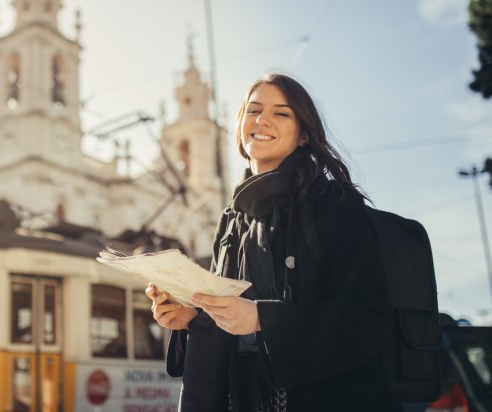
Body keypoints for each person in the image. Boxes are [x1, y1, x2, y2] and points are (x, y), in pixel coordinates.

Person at [145, 73, 401, 412]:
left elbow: (369, 316)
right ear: (240, 127)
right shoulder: (231, 221)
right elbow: (232, 324)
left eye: (281, 113)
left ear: (304, 135)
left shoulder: (334, 203)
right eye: (253, 111)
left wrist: (263, 318)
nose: (262, 119)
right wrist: (191, 316)